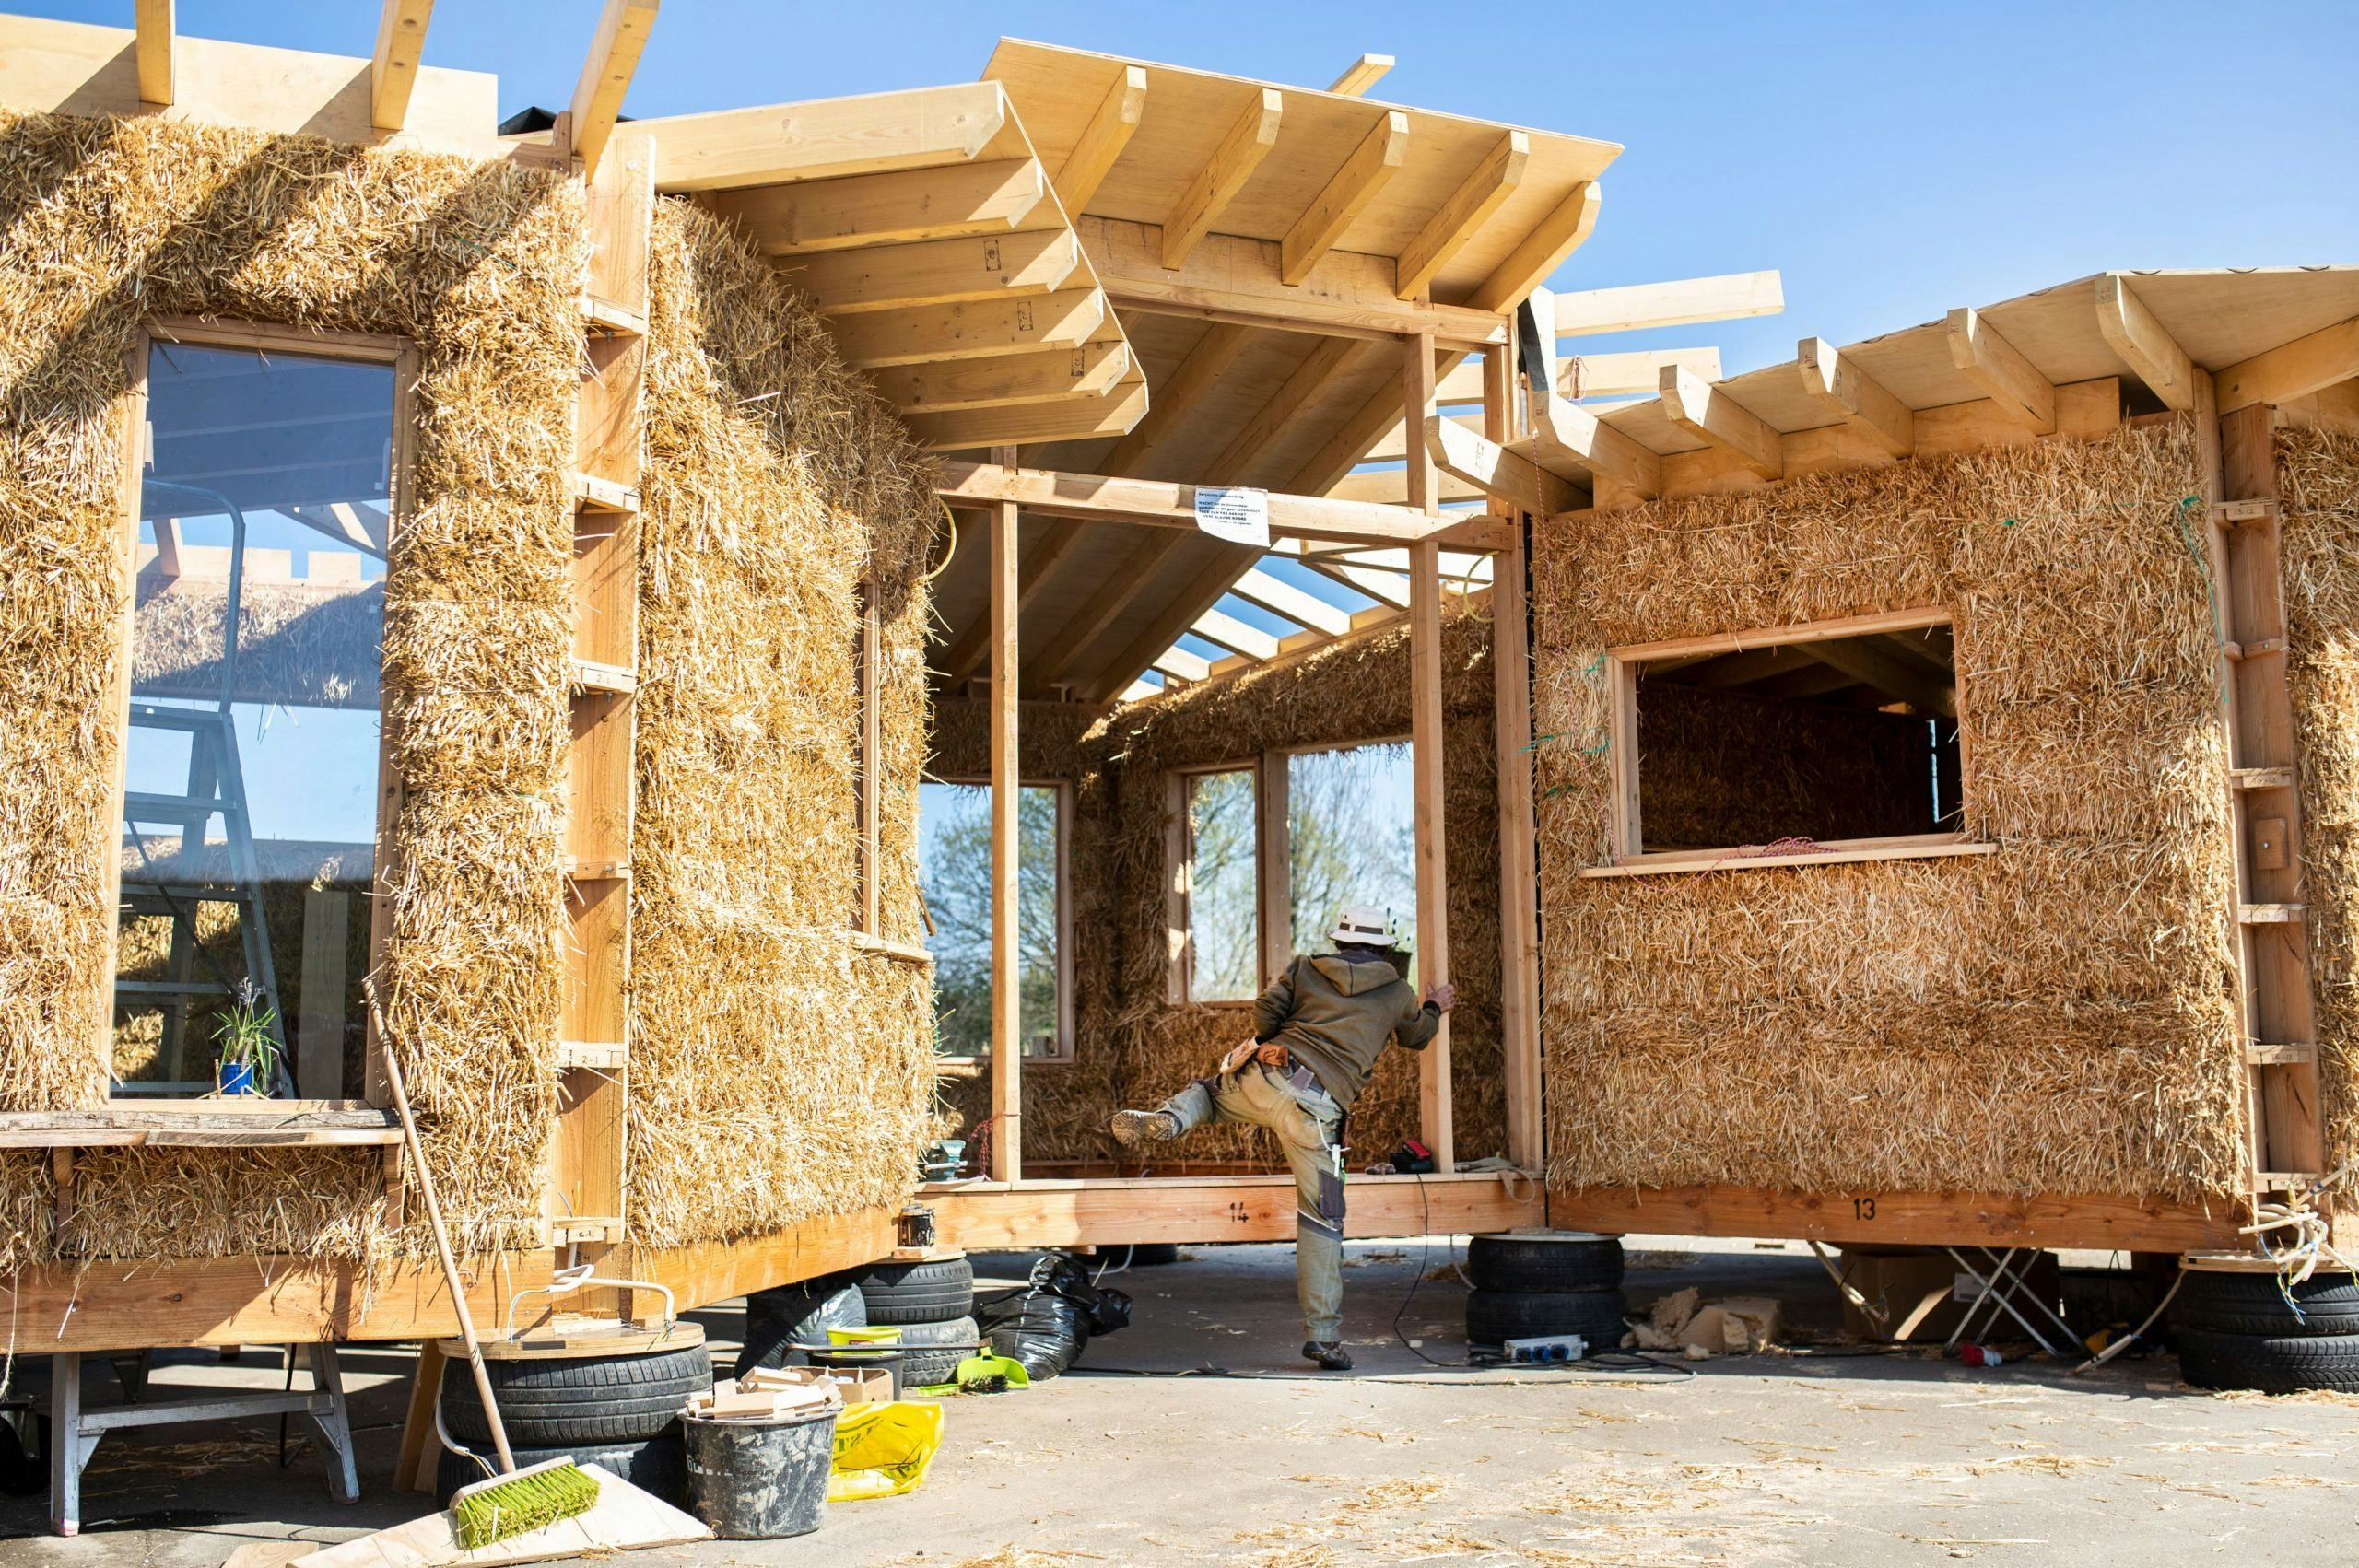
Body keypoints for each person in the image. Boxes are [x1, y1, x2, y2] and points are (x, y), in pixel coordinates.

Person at [1109, 904, 1456, 1371]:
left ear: (1338, 940)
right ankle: (1323, 1338)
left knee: (1208, 1094)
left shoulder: (1305, 968)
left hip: (1266, 1076)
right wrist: (1434, 1006)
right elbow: (1416, 1037)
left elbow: (1264, 1016)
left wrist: (1284, 1020)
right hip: (1316, 1110)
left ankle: (1170, 1121)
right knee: (1322, 1219)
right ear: (1383, 948)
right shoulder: (1396, 990)